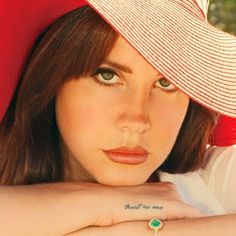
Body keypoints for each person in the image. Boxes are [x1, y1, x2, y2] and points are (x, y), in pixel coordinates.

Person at [0, 0, 236, 235]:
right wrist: (99, 204)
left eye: (166, 83)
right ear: (52, 81)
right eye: (107, 76)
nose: (137, 121)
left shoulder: (216, 175)